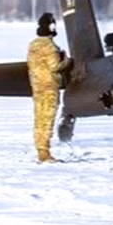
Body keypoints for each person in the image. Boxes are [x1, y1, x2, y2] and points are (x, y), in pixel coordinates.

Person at [27, 12, 66, 163]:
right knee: (47, 119)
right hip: (49, 87)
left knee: (39, 118)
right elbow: (55, 66)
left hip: (37, 87)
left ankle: (41, 150)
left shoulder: (33, 44)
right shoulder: (49, 46)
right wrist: (66, 60)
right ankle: (45, 153)